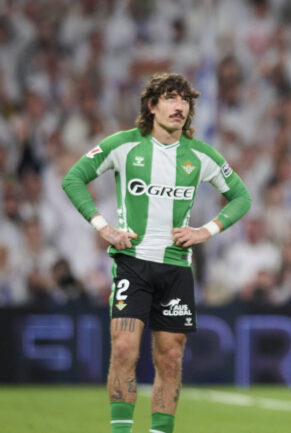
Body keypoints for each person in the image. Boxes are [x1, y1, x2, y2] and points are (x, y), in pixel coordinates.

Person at [61, 73, 251, 433]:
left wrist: (205, 231)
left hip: (176, 268)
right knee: (123, 349)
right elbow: (73, 179)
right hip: (133, 263)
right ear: (152, 105)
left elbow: (242, 197)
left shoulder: (200, 156)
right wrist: (104, 228)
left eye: (185, 101)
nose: (179, 106)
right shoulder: (124, 145)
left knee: (170, 357)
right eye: (171, 98)